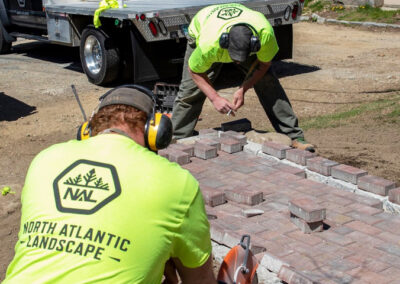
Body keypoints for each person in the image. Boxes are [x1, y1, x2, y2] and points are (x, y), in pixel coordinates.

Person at [3, 86, 217, 284]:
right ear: (156, 131)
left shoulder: (44, 160)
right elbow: (200, 280)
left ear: (87, 130)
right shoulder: (178, 183)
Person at [172, 3, 315, 152]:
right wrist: (215, 98)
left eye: (241, 57)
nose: (238, 62)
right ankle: (175, 140)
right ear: (225, 42)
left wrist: (243, 89)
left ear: (255, 43)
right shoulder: (209, 44)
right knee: (190, 91)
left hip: (242, 37)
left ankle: (294, 136)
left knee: (268, 82)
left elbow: (263, 65)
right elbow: (194, 71)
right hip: (205, 28)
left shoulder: (265, 34)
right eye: (235, 57)